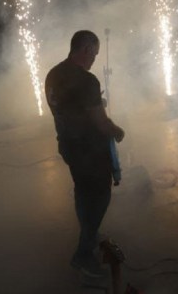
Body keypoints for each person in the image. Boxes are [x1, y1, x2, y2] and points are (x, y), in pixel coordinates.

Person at [45, 30, 125, 278]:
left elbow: (69, 107)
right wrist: (117, 130)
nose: (94, 60)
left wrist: (94, 104)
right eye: (95, 53)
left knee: (82, 190)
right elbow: (101, 123)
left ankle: (88, 231)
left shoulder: (53, 74)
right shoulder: (88, 81)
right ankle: (83, 253)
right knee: (100, 197)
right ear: (87, 49)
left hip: (68, 145)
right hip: (90, 150)